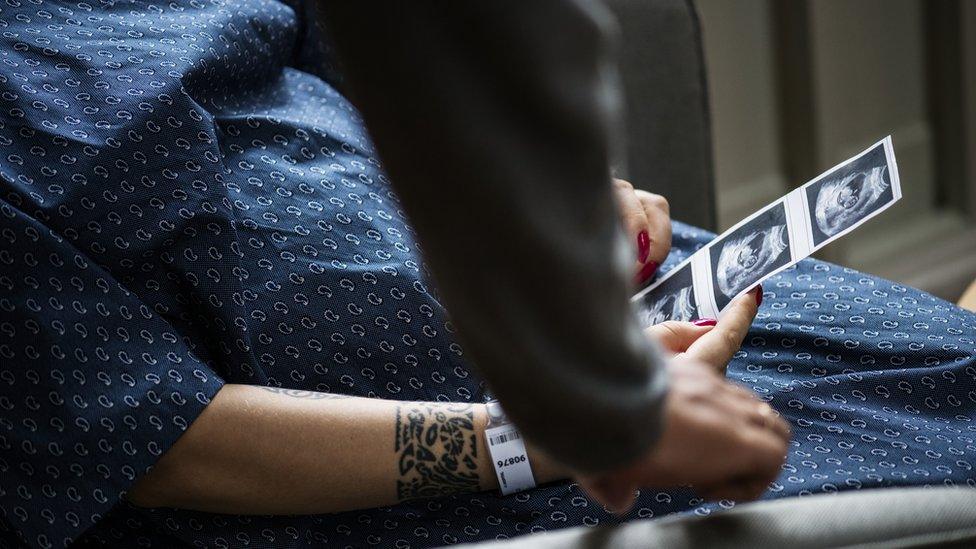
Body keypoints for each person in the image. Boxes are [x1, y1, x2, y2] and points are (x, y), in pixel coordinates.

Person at [0, 2, 973, 548]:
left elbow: (406, 60)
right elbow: (155, 442)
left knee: (951, 365)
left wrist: (575, 197)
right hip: (405, 468)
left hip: (567, 305)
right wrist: (535, 438)